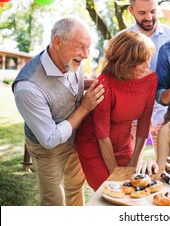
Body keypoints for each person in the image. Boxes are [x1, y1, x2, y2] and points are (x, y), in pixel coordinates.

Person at [12, 16, 105, 206]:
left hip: (75, 138)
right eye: (80, 46)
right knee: (53, 202)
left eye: (88, 47)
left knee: (75, 188)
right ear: (57, 42)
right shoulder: (27, 87)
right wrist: (85, 107)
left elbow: (71, 87)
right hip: (47, 150)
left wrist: (99, 84)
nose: (86, 54)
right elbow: (50, 139)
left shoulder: (71, 60)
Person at [75, 30, 157, 191]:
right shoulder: (105, 83)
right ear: (125, 61)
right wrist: (116, 175)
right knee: (110, 191)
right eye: (141, 61)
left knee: (132, 191)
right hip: (94, 145)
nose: (147, 66)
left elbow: (144, 122)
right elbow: (102, 134)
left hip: (124, 143)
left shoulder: (150, 80)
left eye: (148, 59)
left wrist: (135, 161)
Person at [126, 0, 170, 153]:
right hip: (133, 117)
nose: (149, 17)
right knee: (130, 169)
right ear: (131, 11)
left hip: (167, 114)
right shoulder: (123, 40)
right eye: (142, 13)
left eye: (153, 11)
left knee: (168, 169)